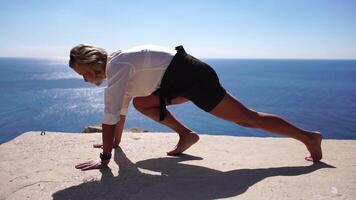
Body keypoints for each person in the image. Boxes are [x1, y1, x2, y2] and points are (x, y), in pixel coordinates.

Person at [70, 44, 322, 171]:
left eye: (83, 74)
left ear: (92, 64)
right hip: (176, 80)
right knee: (142, 102)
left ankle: (308, 137)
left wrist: (104, 159)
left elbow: (110, 115)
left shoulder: (118, 66)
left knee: (247, 119)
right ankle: (186, 134)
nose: (85, 79)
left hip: (191, 79)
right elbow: (121, 109)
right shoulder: (118, 66)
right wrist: (113, 144)